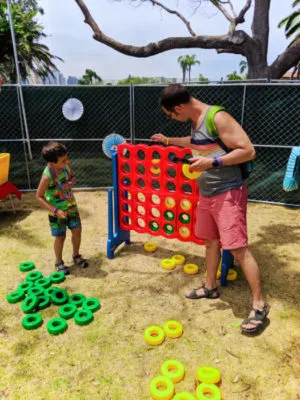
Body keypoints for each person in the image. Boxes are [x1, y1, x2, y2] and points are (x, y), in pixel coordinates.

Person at [151, 84, 269, 334]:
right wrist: (168, 141)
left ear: (179, 107)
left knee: (238, 249)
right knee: (210, 242)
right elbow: (195, 143)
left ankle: (259, 305)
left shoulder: (218, 117)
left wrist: (212, 162)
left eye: (171, 114)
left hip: (228, 193)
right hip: (206, 195)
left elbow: (248, 150)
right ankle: (210, 287)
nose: (173, 119)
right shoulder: (195, 122)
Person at [36, 141, 88, 274]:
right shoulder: (47, 177)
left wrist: (71, 182)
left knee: (77, 230)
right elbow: (39, 196)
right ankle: (58, 262)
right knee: (60, 236)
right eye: (63, 160)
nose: (66, 162)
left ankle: (76, 255)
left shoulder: (66, 166)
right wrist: (55, 210)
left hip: (71, 207)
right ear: (52, 162)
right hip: (57, 212)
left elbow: (72, 176)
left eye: (66, 158)